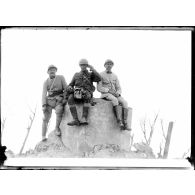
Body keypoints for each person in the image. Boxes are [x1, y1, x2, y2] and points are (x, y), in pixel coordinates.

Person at [97, 59, 131, 130]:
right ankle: (119, 121)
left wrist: (118, 93)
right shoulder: (100, 75)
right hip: (106, 94)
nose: (109, 65)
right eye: (107, 64)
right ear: (104, 65)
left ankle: (125, 122)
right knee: (115, 100)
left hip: (115, 94)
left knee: (125, 103)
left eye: (110, 64)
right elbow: (99, 88)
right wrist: (108, 90)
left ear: (112, 65)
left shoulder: (115, 76)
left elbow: (119, 87)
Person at [66, 59, 101, 126]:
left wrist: (92, 69)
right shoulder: (76, 74)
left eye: (84, 65)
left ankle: (84, 118)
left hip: (87, 92)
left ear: (87, 65)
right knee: (70, 98)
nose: (83, 66)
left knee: (87, 96)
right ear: (79, 66)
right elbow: (71, 84)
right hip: (77, 92)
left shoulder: (90, 74)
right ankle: (75, 119)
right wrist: (70, 87)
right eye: (81, 65)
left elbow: (99, 78)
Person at [42, 65, 67, 141]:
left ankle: (57, 128)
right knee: (45, 118)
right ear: (47, 72)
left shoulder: (61, 78)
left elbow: (66, 88)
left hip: (58, 100)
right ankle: (43, 135)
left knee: (59, 111)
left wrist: (64, 98)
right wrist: (43, 104)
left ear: (56, 71)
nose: (52, 71)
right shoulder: (46, 82)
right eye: (50, 70)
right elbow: (43, 94)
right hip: (49, 101)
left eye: (53, 70)